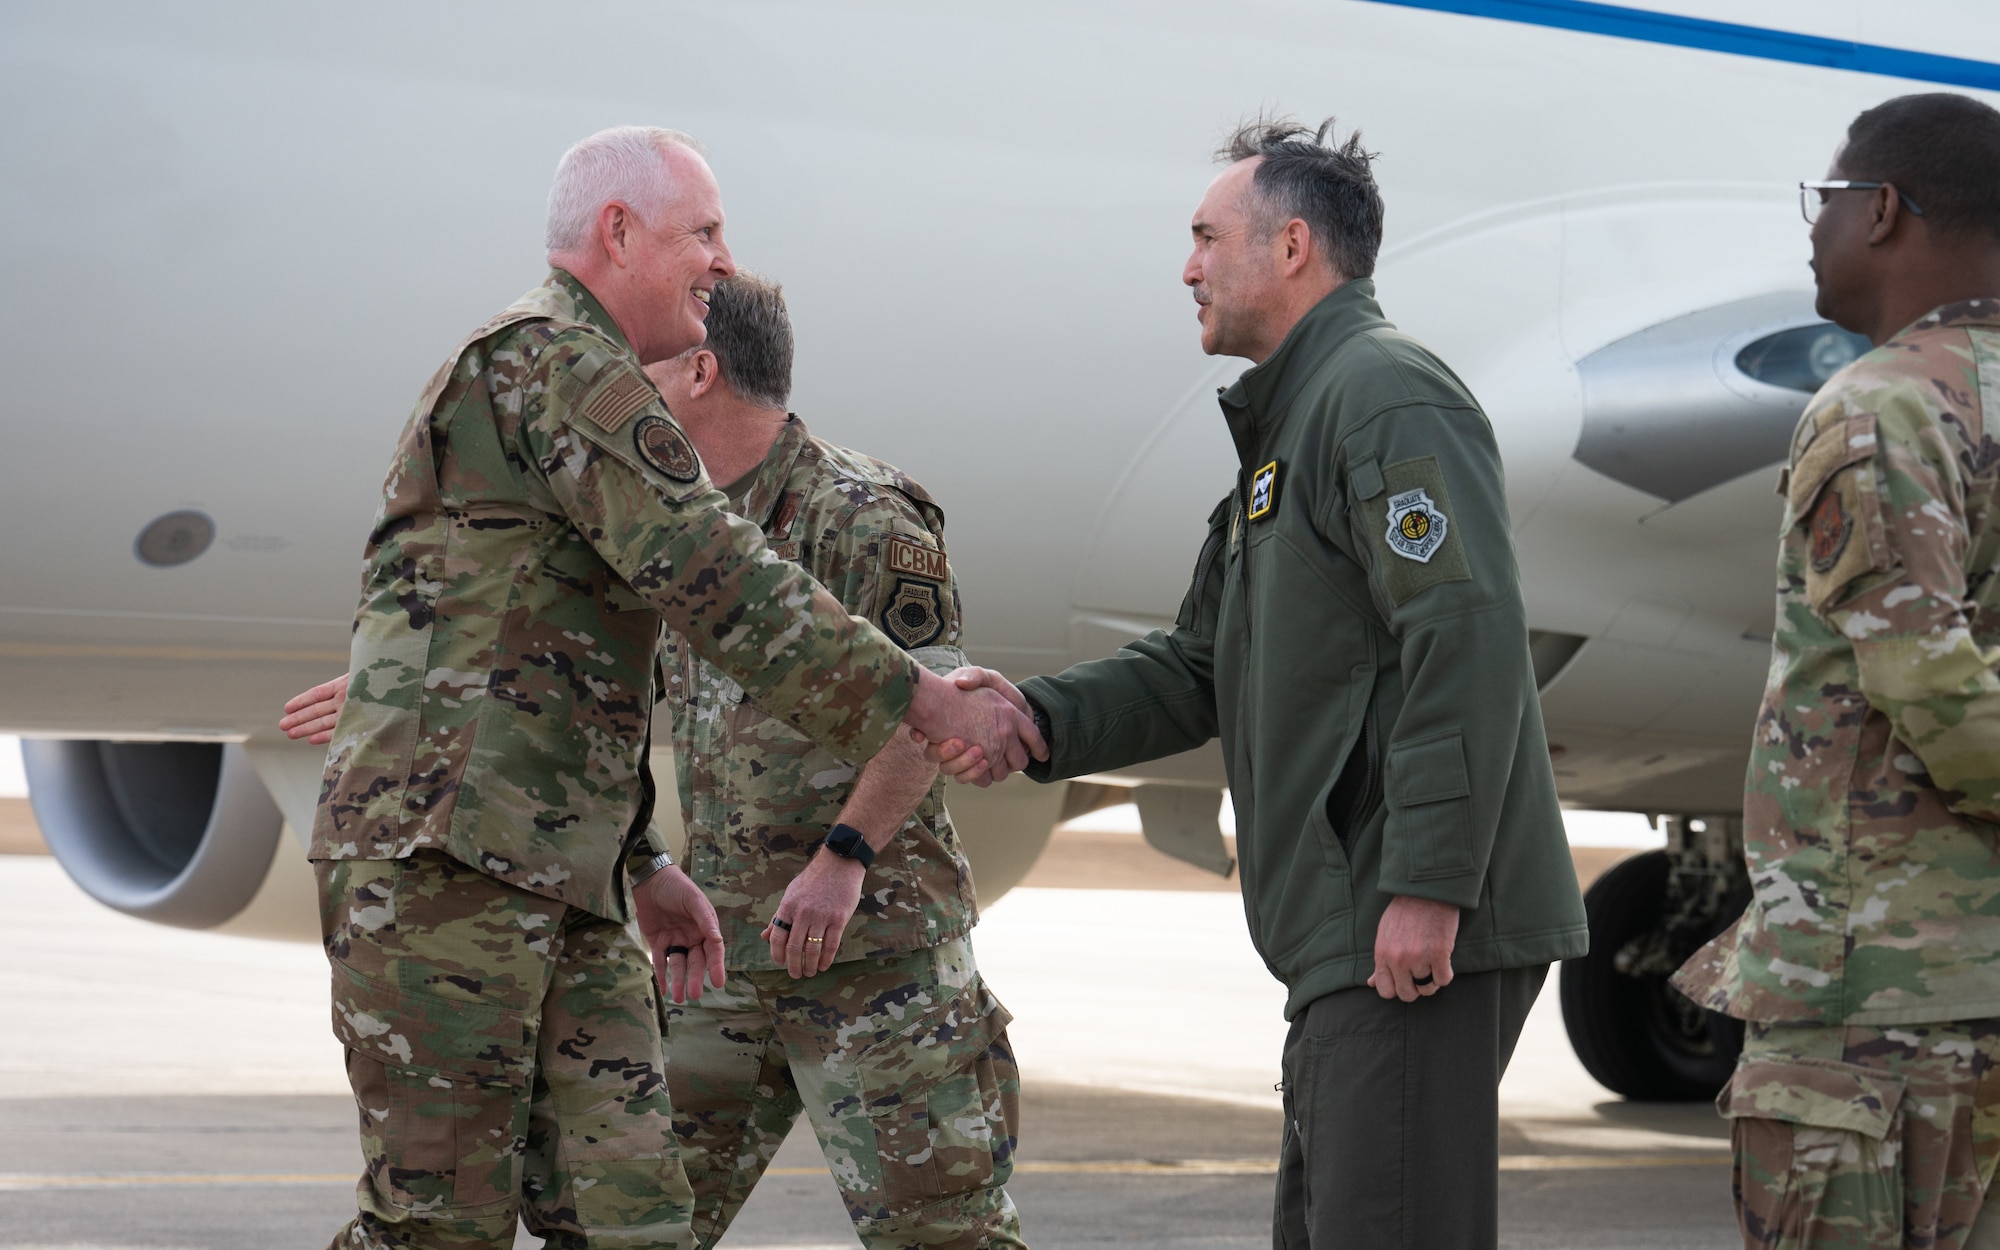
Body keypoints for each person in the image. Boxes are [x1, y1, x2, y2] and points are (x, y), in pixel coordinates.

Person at [278, 125, 1041, 1250]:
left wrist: (642, 862)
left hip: (577, 873)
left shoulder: (841, 500)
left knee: (632, 1215)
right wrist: (927, 701)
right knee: (438, 1228)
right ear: (618, 232)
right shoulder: (551, 363)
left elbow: (573, 655)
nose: (723, 260)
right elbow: (711, 570)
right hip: (455, 857)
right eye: (705, 232)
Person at [934, 116, 1587, 1248]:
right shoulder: (1287, 433)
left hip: (1401, 917)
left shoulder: (1382, 396)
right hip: (1346, 925)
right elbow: (1200, 662)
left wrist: (1426, 883)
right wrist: (1037, 717)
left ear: (1291, 247)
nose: (1185, 267)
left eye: (1204, 237)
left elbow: (1465, 635)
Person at [1672, 93, 2000, 1250]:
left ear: (1884, 213)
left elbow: (1937, 696)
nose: (1809, 231)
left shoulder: (1882, 405)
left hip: (1869, 1001)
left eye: (1826, 202)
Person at [638, 272, 1025, 1249]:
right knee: (624, 1222)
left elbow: (936, 709)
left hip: (874, 951)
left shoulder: (861, 512)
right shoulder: (679, 532)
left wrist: (842, 855)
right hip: (729, 949)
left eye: (630, 364)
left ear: (697, 370)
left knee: (946, 1236)